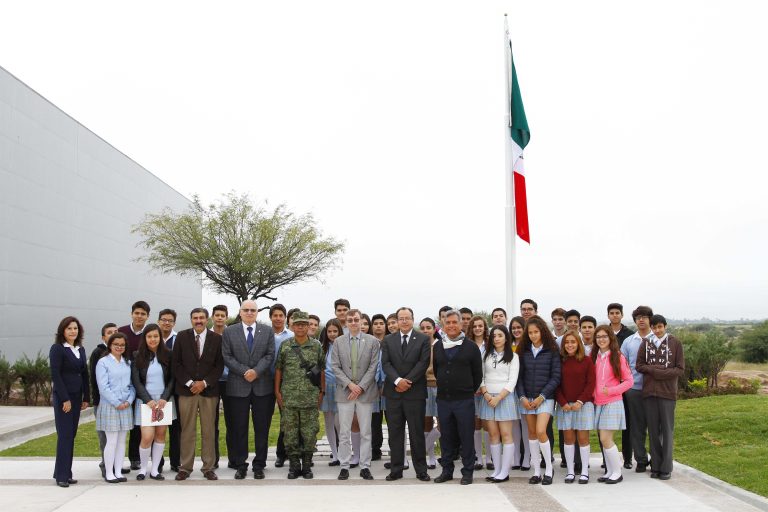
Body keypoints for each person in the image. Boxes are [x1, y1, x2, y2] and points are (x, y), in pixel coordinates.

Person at [222, 300, 276, 480]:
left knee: (262, 427)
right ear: (240, 312)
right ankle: (241, 464)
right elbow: (227, 356)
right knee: (239, 428)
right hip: (238, 385)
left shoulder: (267, 331)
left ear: (257, 312)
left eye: (253, 310)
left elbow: (269, 355)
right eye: (246, 310)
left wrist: (256, 371)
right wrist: (245, 371)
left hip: (262, 386)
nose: (250, 313)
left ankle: (259, 464)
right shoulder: (229, 331)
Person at [172, 307, 224, 481]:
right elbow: (176, 364)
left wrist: (204, 383)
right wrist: (190, 383)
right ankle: (185, 467)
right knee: (187, 430)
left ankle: (208, 467)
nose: (199, 321)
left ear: (207, 319)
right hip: (186, 391)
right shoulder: (181, 336)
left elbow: (219, 366)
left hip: (209, 392)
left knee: (209, 430)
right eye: (195, 318)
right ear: (191, 319)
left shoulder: (216, 339)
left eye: (202, 317)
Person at [432, 309, 483, 485]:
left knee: (466, 436)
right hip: (444, 400)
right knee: (446, 436)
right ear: (443, 326)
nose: (451, 325)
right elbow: (437, 371)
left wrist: (466, 390)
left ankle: (467, 472)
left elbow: (478, 375)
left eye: (455, 322)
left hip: (464, 400)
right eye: (448, 323)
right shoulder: (438, 346)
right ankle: (447, 471)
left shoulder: (471, 347)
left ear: (461, 324)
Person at [381, 306, 431, 482]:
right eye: (400, 318)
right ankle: (396, 469)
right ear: (397, 320)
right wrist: (397, 381)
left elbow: (423, 363)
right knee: (395, 433)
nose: (404, 321)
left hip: (415, 393)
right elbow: (386, 364)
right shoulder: (388, 340)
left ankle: (421, 470)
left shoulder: (423, 339)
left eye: (407, 318)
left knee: (416, 432)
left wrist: (407, 382)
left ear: (412, 319)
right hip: (394, 393)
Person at [275, 311, 325, 479]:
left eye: (304, 324)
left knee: (309, 433)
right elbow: (279, 370)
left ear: (308, 326)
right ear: (292, 326)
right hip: (289, 398)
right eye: (298, 324)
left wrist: (322, 392)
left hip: (310, 397)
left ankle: (307, 466)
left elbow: (322, 370)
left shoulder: (316, 346)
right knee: (290, 434)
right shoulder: (285, 345)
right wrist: (277, 392)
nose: (301, 327)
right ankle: (294, 466)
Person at [331, 309, 380, 480]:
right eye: (350, 320)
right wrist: (350, 385)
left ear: (361, 321)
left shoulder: (373, 341)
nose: (353, 322)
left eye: (356, 319)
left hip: (365, 394)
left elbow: (373, 367)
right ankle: (344, 465)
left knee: (366, 431)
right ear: (346, 322)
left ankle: (365, 466)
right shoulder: (338, 342)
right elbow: (335, 366)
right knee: (344, 432)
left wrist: (360, 387)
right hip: (345, 393)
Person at [637, 314, 685, 480]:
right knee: (652, 431)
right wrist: (655, 370)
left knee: (667, 430)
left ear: (665, 326)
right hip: (649, 393)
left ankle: (666, 467)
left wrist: (659, 372)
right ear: (651, 328)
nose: (657, 330)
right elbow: (639, 365)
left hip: (667, 393)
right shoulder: (646, 343)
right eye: (654, 327)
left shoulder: (675, 343)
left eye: (660, 327)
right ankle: (655, 465)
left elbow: (679, 369)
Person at [516, 315, 561, 485]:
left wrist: (542, 397)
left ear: (543, 331)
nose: (533, 335)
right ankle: (536, 471)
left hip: (546, 398)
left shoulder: (552, 350)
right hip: (526, 399)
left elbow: (556, 377)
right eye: (530, 332)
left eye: (536, 332)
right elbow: (518, 378)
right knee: (532, 434)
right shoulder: (523, 351)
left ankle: (548, 469)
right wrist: (522, 397)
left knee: (541, 431)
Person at [50, 316, 91, 487]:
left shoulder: (80, 349)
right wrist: (65, 399)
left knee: (71, 435)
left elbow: (84, 374)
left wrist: (86, 397)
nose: (73, 331)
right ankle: (61, 476)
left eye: (75, 328)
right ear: (62, 331)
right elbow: (56, 375)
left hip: (77, 396)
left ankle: (66, 472)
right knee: (65, 435)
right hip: (64, 398)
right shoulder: (58, 349)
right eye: (69, 328)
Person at [130, 323, 173, 481]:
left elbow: (172, 379)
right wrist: (148, 400)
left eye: (156, 336)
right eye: (149, 336)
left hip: (164, 401)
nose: (153, 339)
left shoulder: (168, 355)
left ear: (160, 338)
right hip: (145, 402)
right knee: (147, 436)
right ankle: (143, 469)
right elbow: (136, 381)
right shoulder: (137, 355)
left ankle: (155, 470)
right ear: (145, 338)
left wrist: (164, 398)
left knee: (160, 435)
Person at [592, 325, 634, 484]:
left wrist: (611, 390)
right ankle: (609, 471)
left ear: (610, 338)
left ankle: (617, 472)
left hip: (613, 402)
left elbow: (629, 381)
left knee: (605, 438)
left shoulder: (618, 356)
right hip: (599, 403)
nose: (601, 339)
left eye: (604, 336)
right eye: (598, 337)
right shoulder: (595, 356)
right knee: (603, 440)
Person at [478, 325, 520, 483]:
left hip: (504, 398)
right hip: (488, 398)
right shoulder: (486, 355)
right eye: (494, 336)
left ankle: (504, 471)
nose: (496, 338)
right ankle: (496, 470)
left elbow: (512, 380)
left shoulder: (513, 357)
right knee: (493, 435)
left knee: (506, 434)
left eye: (500, 335)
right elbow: (480, 377)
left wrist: (499, 397)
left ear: (506, 338)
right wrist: (486, 394)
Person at [555, 330, 595, 484]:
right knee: (568, 439)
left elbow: (591, 383)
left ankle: (584, 471)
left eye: (573, 342)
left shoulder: (586, 360)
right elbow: (556, 383)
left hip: (583, 405)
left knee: (583, 438)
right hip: (565, 405)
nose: (570, 345)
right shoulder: (560, 361)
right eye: (567, 342)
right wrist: (563, 402)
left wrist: (580, 401)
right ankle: (570, 471)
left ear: (578, 344)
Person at [95, 331, 134, 484]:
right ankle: (109, 472)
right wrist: (117, 403)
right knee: (111, 441)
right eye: (116, 344)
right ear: (110, 345)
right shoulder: (103, 362)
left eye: (122, 345)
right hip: (110, 406)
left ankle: (118, 471)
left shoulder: (127, 362)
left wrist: (129, 401)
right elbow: (103, 387)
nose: (119, 347)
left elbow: (132, 385)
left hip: (125, 406)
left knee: (122, 440)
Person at [620, 305, 653, 473]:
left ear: (650, 319)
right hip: (634, 389)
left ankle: (657, 459)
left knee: (656, 426)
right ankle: (640, 459)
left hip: (655, 390)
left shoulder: (658, 339)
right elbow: (622, 365)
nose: (641, 320)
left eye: (644, 317)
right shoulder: (628, 342)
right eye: (638, 317)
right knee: (637, 427)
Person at [118, 300, 150, 470]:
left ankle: (135, 457)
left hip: (142, 385)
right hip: (123, 384)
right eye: (137, 313)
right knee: (122, 424)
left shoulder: (150, 333)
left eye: (143, 314)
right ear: (132, 314)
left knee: (138, 425)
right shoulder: (122, 332)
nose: (139, 316)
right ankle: (115, 461)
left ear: (147, 316)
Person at [608, 302, 636, 468]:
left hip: (625, 385)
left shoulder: (629, 335)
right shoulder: (604, 333)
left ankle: (627, 458)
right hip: (608, 386)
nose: (615, 315)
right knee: (606, 424)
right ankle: (607, 461)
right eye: (612, 313)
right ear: (608, 315)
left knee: (628, 422)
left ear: (622, 315)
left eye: (617, 312)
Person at [89, 322, 117, 479]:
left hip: (118, 403)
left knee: (116, 437)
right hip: (102, 403)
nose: (113, 334)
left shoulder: (120, 353)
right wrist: (97, 401)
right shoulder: (98, 353)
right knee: (104, 436)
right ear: (103, 337)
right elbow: (94, 379)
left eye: (116, 331)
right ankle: (106, 465)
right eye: (109, 332)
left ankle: (114, 463)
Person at [269, 303, 294, 467]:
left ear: (285, 318)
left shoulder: (291, 336)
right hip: (264, 381)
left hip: (285, 382)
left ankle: (283, 454)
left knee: (286, 419)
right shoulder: (263, 334)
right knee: (264, 420)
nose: (278, 318)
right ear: (270, 317)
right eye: (275, 315)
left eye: (281, 315)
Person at [158, 308, 180, 472]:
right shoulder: (152, 337)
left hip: (176, 389)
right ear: (159, 321)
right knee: (156, 427)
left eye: (170, 320)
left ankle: (175, 461)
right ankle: (157, 463)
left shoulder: (178, 339)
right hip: (155, 391)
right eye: (164, 320)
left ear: (174, 323)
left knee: (175, 427)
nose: (166, 323)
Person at [210, 305, 232, 470]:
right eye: (216, 315)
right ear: (212, 317)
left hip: (231, 382)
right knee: (212, 423)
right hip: (212, 383)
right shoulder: (207, 335)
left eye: (222, 315)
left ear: (226, 317)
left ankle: (234, 459)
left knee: (232, 422)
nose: (219, 318)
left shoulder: (232, 334)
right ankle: (214, 459)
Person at [320, 319, 344, 466]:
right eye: (329, 331)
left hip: (341, 387)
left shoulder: (345, 346)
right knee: (328, 422)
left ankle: (343, 452)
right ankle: (334, 454)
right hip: (326, 387)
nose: (332, 334)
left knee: (340, 423)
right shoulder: (322, 347)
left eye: (335, 331)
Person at [468, 315, 490, 470]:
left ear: (484, 327)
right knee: (476, 425)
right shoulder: (468, 344)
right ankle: (478, 458)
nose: (477, 328)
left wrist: (484, 388)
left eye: (480, 326)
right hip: (472, 389)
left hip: (488, 390)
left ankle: (489, 457)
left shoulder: (490, 344)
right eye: (475, 326)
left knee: (488, 424)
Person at [508, 316, 529, 470]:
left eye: (519, 327)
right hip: (510, 389)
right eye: (513, 328)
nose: (516, 330)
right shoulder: (508, 345)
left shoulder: (528, 345)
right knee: (514, 424)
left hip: (525, 388)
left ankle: (526, 458)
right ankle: (516, 457)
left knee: (526, 425)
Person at [420, 317, 441, 469]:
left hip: (440, 387)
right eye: (423, 328)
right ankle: (431, 457)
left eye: (428, 327)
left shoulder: (440, 345)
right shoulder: (419, 346)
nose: (426, 330)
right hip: (424, 387)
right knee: (426, 423)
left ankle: (421, 450)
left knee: (442, 424)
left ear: (434, 329)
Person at [369, 314, 389, 461]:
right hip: (372, 385)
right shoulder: (368, 341)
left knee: (392, 418)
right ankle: (375, 449)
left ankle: (395, 449)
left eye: (381, 323)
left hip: (389, 385)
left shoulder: (391, 341)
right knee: (374, 419)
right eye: (375, 323)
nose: (378, 326)